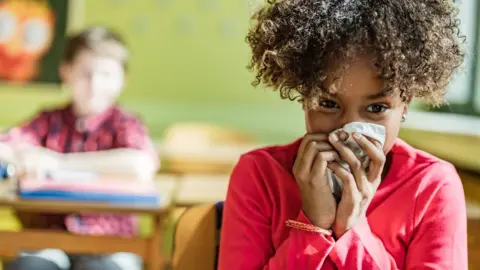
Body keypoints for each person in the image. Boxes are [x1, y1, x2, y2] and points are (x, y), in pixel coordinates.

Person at [219, 0, 468, 269]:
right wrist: (313, 224)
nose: (348, 129)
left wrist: (353, 225)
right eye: (328, 104)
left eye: (376, 108)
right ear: (305, 98)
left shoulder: (431, 187)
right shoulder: (259, 176)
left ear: (405, 104)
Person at [2, 26, 158, 270]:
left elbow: (140, 164)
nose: (95, 84)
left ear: (122, 80)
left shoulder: (126, 124)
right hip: (47, 239)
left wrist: (57, 162)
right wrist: (17, 157)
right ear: (66, 71)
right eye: (85, 73)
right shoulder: (47, 121)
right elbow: (6, 145)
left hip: (110, 244)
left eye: (106, 74)